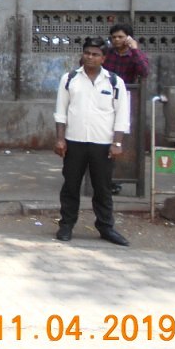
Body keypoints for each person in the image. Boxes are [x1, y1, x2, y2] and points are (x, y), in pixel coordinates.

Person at [54, 37, 130, 246]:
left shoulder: (114, 82)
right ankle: (66, 225)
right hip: (74, 141)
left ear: (103, 58)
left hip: (103, 144)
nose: (90, 57)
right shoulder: (69, 79)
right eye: (87, 53)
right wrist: (60, 139)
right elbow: (61, 111)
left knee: (103, 188)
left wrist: (117, 143)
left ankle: (106, 227)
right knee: (70, 186)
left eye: (95, 54)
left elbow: (122, 115)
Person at [102, 23, 148, 195]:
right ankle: (105, 178)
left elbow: (144, 71)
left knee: (123, 140)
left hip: (127, 101)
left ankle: (119, 178)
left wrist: (134, 49)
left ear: (128, 38)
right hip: (105, 100)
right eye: (114, 37)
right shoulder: (107, 54)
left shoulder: (134, 55)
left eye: (120, 37)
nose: (117, 40)